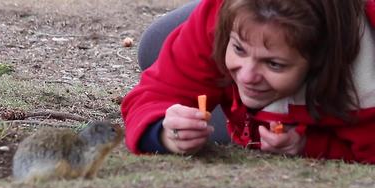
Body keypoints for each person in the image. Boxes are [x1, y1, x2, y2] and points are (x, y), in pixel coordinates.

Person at [121, 0, 375, 164]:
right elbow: (151, 96)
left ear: (319, 62)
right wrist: (165, 133)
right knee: (154, 45)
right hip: (221, 28)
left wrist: (310, 145)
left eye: (274, 63)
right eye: (239, 49)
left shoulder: (362, 72)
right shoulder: (225, 16)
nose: (247, 76)